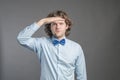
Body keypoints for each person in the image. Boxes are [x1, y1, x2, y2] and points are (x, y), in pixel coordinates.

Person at [17, 10, 87, 80]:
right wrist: (42, 21)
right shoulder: (41, 43)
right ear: (50, 27)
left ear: (67, 26)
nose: (57, 27)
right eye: (54, 24)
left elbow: (82, 76)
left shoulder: (76, 48)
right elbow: (21, 38)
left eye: (61, 23)